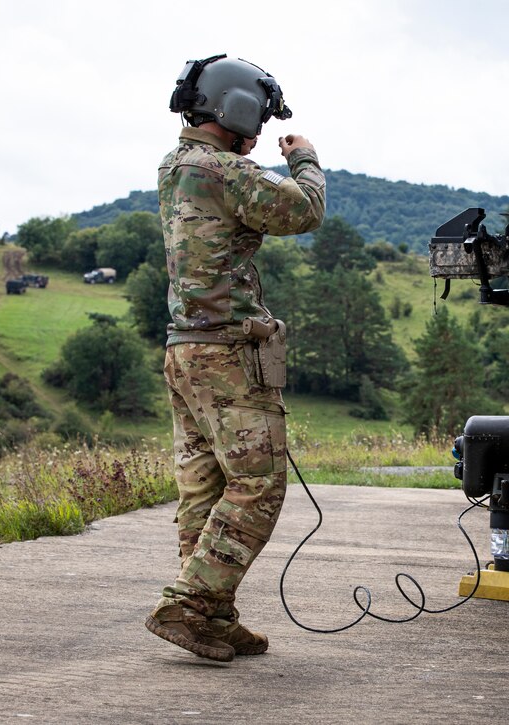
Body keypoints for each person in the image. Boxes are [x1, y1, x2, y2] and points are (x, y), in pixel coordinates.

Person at [145, 54, 326, 662]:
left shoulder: (176, 166)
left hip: (184, 349)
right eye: (258, 117)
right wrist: (303, 158)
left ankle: (211, 618)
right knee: (258, 485)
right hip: (225, 354)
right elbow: (303, 210)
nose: (258, 133)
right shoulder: (220, 171)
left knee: (205, 486)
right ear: (237, 109)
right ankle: (190, 604)